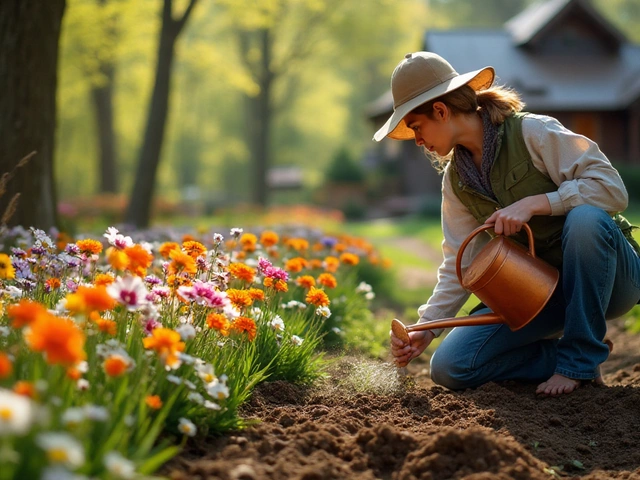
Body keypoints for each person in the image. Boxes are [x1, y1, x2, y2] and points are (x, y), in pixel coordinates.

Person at [374, 52, 640, 396]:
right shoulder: (455, 182)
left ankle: (580, 360)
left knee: (585, 218)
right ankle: (565, 357)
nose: (418, 140)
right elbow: (461, 261)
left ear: (440, 111)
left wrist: (537, 203)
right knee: (451, 366)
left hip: (611, 278)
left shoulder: (533, 132)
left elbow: (612, 190)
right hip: (540, 293)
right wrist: (427, 328)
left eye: (416, 127)